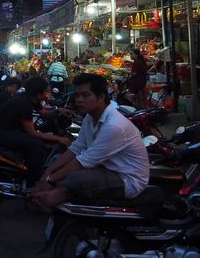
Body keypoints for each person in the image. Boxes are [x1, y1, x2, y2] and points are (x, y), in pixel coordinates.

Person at [32, 73, 150, 207]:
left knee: (75, 179)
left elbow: (85, 160)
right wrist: (49, 172)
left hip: (125, 179)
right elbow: (77, 147)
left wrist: (50, 179)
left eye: (86, 95)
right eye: (77, 95)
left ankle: (58, 195)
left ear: (101, 97)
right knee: (56, 161)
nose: (79, 100)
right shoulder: (90, 117)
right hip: (103, 168)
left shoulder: (114, 126)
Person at [0, 77, 72, 185]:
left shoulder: (32, 99)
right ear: (38, 93)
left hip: (11, 129)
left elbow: (45, 114)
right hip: (1, 133)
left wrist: (58, 111)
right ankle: (29, 181)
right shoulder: (24, 103)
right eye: (46, 90)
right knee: (36, 146)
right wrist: (59, 139)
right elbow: (32, 133)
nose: (48, 92)